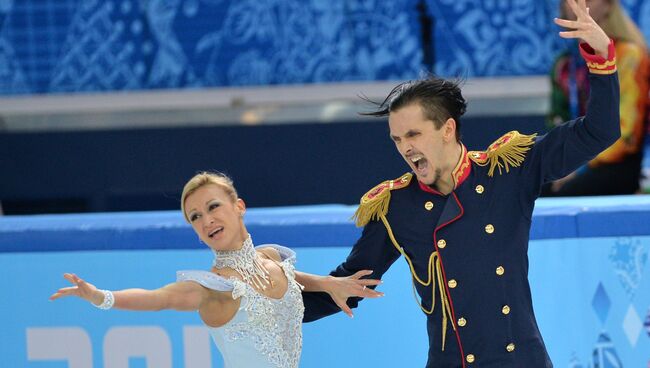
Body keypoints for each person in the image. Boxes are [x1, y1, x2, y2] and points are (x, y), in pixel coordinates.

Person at [301, 1, 620, 366]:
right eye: (397, 139)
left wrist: (600, 56)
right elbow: (348, 287)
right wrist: (267, 302)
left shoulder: (508, 170)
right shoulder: (396, 207)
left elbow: (600, 131)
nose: (405, 148)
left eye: (413, 134)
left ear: (447, 129)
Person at [50, 171, 383, 368]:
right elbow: (158, 299)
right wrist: (101, 297)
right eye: (195, 217)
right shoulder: (212, 287)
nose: (206, 220)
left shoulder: (271, 258)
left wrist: (328, 283)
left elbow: (288, 279)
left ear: (238, 207)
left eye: (212, 207)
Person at [544, 0, 649, 195]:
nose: (580, 5)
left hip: (616, 162)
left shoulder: (629, 56)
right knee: (532, 189)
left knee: (567, 192)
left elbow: (625, 135)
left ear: (609, 5)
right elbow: (556, 124)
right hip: (574, 157)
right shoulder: (565, 65)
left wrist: (581, 165)